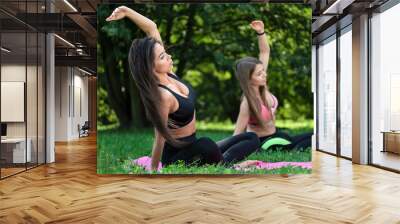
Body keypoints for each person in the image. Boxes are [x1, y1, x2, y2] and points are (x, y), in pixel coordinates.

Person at [106, 6, 259, 171]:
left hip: (195, 146)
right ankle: (230, 168)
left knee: (251, 138)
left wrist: (127, 12)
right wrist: (154, 169)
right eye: (163, 56)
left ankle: (223, 162)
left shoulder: (169, 74)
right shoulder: (163, 96)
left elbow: (151, 28)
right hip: (177, 157)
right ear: (151, 67)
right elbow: (159, 137)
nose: (169, 56)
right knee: (207, 145)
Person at [233, 20, 311, 151]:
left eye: (263, 71)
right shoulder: (247, 102)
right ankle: (294, 149)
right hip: (265, 143)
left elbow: (264, 52)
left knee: (314, 136)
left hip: (276, 136)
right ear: (248, 79)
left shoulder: (262, 87)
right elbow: (237, 134)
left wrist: (261, 32)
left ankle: (294, 147)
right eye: (259, 73)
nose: (264, 74)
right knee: (305, 142)